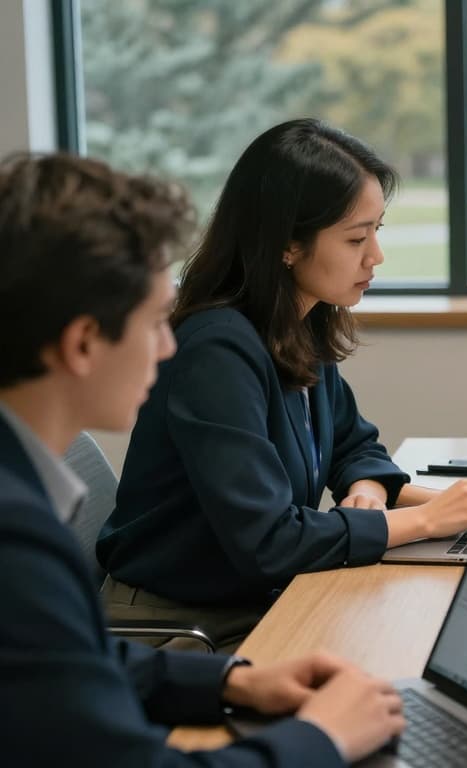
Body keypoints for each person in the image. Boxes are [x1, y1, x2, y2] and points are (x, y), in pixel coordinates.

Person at [0, 151, 404, 766]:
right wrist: (323, 737)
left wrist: (232, 682)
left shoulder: (23, 495)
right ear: (83, 343)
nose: (170, 346)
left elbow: (77, 658)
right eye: (155, 321)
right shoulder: (15, 537)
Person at [98, 119, 467, 648]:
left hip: (252, 598)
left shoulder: (297, 321)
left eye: (377, 231)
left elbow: (352, 443)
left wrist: (367, 490)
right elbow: (268, 540)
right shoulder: (216, 351)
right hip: (180, 626)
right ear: (288, 244)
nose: (375, 256)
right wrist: (425, 521)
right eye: (356, 238)